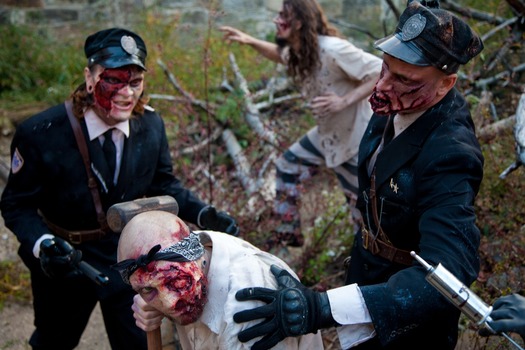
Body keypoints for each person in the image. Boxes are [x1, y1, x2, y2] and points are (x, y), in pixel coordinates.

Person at [231, 1, 485, 349]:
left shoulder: (451, 154)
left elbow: (448, 275)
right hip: (365, 275)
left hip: (406, 322)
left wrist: (325, 307)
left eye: (403, 79)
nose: (382, 86)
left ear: (445, 85)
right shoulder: (394, 104)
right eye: (385, 68)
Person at [0, 27, 239, 350]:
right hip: (65, 261)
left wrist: (203, 213)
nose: (127, 93)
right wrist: (44, 245)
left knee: (135, 341)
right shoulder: (41, 133)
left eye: (135, 82)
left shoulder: (150, 126)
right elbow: (16, 205)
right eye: (113, 79)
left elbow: (164, 184)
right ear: (89, 76)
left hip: (125, 258)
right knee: (54, 339)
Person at [220, 0, 382, 248]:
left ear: (299, 22)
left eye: (283, 16)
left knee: (359, 207)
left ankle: (365, 259)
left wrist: (343, 101)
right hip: (328, 134)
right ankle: (288, 232)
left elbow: (380, 70)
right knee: (288, 164)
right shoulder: (300, 51)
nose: (277, 20)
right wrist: (250, 40)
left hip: (355, 139)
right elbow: (278, 53)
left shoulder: (333, 49)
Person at [113, 209, 323, 349]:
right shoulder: (193, 247)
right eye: (148, 290)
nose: (168, 302)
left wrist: (153, 291)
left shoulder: (245, 313)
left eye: (176, 283)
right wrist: (148, 301)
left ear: (197, 260)